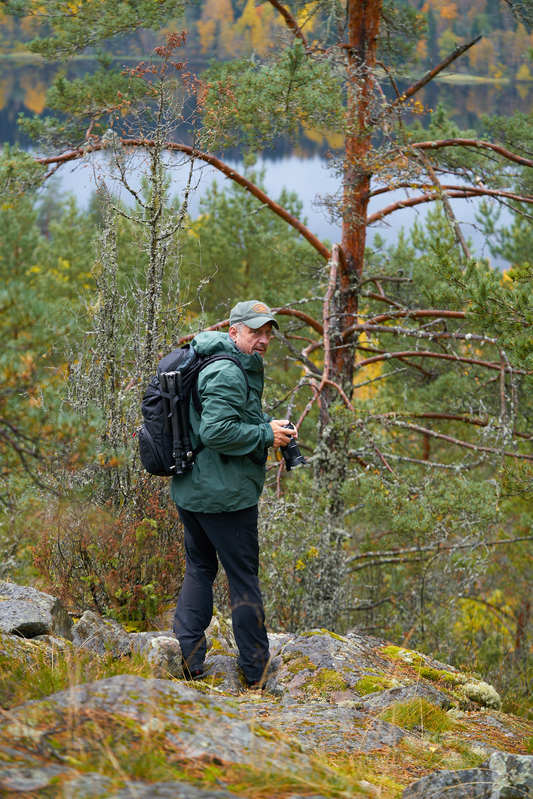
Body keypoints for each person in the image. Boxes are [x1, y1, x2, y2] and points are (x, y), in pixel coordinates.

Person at [171, 300, 296, 688]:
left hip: (194, 490)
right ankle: (256, 671)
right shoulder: (227, 371)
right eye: (254, 332)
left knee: (200, 567)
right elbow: (216, 432)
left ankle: (190, 658)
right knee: (243, 580)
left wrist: (264, 422)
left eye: (267, 332)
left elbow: (226, 417)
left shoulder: (217, 360)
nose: (262, 340)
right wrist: (264, 435)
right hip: (224, 498)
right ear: (234, 332)